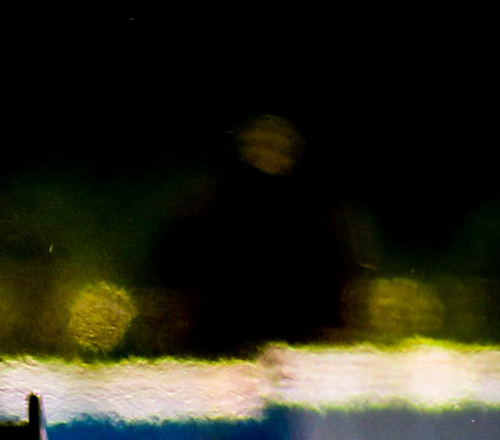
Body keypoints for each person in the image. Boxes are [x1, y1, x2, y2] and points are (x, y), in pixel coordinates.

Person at [144, 116, 368, 356]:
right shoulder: (206, 204)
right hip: (220, 341)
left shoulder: (320, 211)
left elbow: (340, 275)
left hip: (296, 342)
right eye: (260, 143)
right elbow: (172, 269)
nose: (267, 152)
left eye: (275, 144)